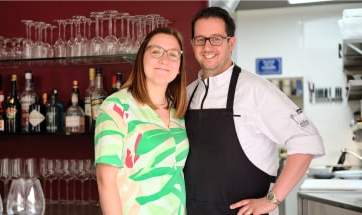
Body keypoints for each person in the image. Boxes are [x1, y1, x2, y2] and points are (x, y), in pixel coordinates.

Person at [183, 6, 325, 215]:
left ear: (231, 42)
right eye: (200, 39)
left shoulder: (255, 89)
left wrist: (272, 200)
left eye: (216, 39)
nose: (207, 47)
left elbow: (306, 139)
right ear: (192, 44)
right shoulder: (188, 93)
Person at [94, 27, 189, 215]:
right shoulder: (116, 107)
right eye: (156, 52)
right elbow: (105, 180)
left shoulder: (178, 112)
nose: (164, 60)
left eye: (173, 55)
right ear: (141, 58)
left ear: (179, 67)